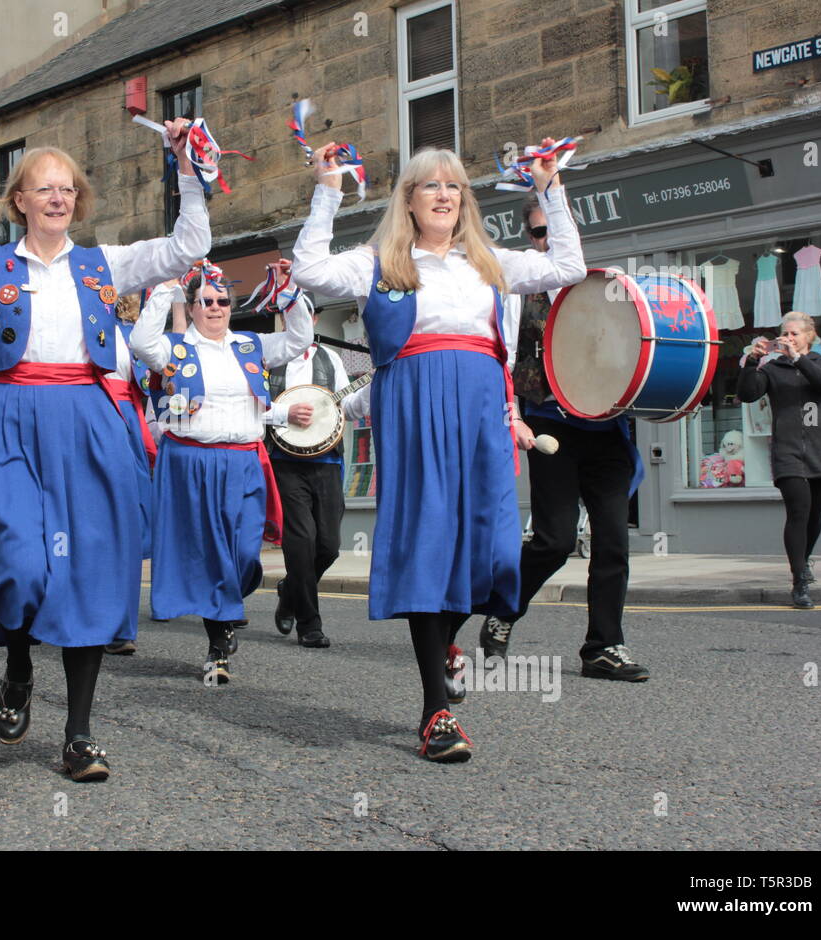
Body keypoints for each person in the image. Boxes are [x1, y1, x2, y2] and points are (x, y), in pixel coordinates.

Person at [0, 108, 209, 782]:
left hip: (88, 417)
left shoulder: (106, 262)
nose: (57, 197)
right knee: (20, 562)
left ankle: (79, 734)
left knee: (88, 572)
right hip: (13, 413)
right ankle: (19, 664)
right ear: (19, 200)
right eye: (44, 188)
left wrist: (187, 166)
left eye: (68, 189)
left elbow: (189, 243)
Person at [291, 139, 585, 762]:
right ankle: (436, 712)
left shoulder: (489, 262)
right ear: (409, 200)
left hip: (480, 403)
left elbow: (568, 267)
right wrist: (326, 191)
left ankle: (450, 637)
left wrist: (548, 188)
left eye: (454, 186)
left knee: (491, 544)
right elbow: (309, 272)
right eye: (431, 185)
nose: (445, 195)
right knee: (429, 543)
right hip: (415, 401)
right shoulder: (378, 262)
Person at [478, 194, 648, 681]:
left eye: (554, 230)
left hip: (606, 429)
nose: (547, 240)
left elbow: (638, 353)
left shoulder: (606, 288)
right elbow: (502, 359)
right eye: (537, 233)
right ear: (528, 240)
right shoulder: (517, 292)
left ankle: (603, 646)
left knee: (613, 541)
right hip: (551, 425)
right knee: (553, 541)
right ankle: (505, 609)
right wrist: (512, 417)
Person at [130, 265, 312, 683]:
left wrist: (288, 293)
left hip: (245, 461)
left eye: (222, 301)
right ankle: (219, 639)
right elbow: (141, 341)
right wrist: (168, 288)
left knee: (245, 553)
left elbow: (300, 338)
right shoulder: (172, 349)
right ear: (191, 308)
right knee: (212, 553)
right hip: (192, 461)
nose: (215, 308)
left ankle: (227, 604)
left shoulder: (250, 345)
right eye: (205, 301)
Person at [267, 275, 359, 649]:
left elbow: (346, 405)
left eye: (306, 312)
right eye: (291, 312)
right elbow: (252, 405)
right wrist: (283, 413)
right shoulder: (268, 358)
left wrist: (370, 390)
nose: (300, 319)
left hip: (327, 461)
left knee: (329, 546)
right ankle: (310, 624)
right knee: (301, 542)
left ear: (315, 319)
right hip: (284, 461)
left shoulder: (331, 358)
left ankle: (291, 592)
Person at [738, 312, 821, 609]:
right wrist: (753, 361)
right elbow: (747, 394)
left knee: (815, 516)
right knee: (798, 511)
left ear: (809, 336)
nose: (789, 338)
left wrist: (799, 359)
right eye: (786, 333)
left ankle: (803, 562)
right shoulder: (773, 369)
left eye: (795, 334)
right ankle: (799, 583)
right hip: (787, 452)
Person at [102, 291, 157, 657]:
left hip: (129, 423)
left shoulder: (130, 334)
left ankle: (120, 624)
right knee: (95, 524)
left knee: (129, 523)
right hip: (89, 416)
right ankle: (101, 616)